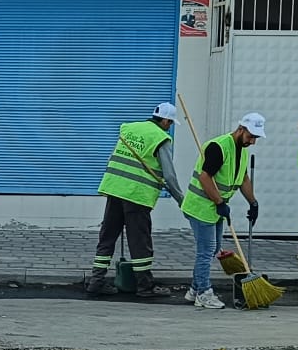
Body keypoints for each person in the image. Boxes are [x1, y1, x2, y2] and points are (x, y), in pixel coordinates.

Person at [86, 102, 181, 299]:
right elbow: (170, 176)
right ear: (164, 120)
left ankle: (96, 281)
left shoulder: (129, 128)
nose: (169, 127)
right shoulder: (161, 138)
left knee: (107, 236)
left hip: (114, 188)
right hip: (136, 194)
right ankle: (145, 287)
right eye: (170, 123)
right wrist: (181, 199)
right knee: (140, 241)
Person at [179, 112, 264, 311]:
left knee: (213, 248)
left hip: (215, 207)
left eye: (256, 138)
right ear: (241, 129)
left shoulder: (241, 150)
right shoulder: (218, 147)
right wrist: (219, 202)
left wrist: (253, 202)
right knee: (207, 250)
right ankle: (204, 293)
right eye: (251, 136)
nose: (253, 142)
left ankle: (194, 288)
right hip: (201, 206)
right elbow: (205, 178)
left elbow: (242, 178)